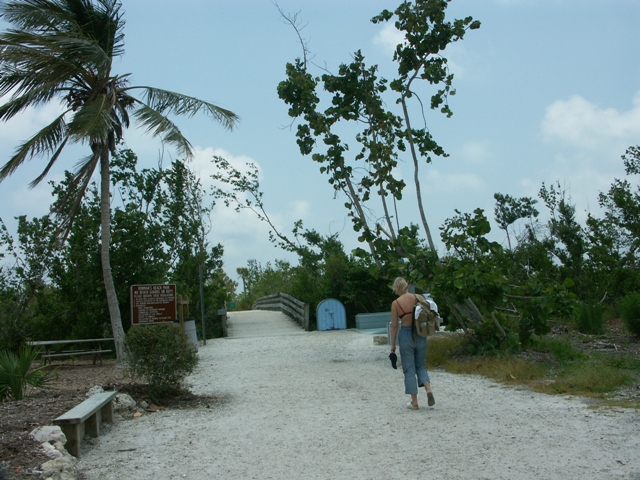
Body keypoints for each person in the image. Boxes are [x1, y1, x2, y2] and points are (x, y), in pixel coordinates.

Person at [390, 277, 435, 410]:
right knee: (421, 365)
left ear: (396, 289)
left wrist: (392, 345)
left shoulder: (396, 303)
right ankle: (428, 389)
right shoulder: (419, 297)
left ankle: (414, 402)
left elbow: (394, 326)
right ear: (406, 286)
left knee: (409, 368)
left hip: (405, 334)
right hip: (420, 333)